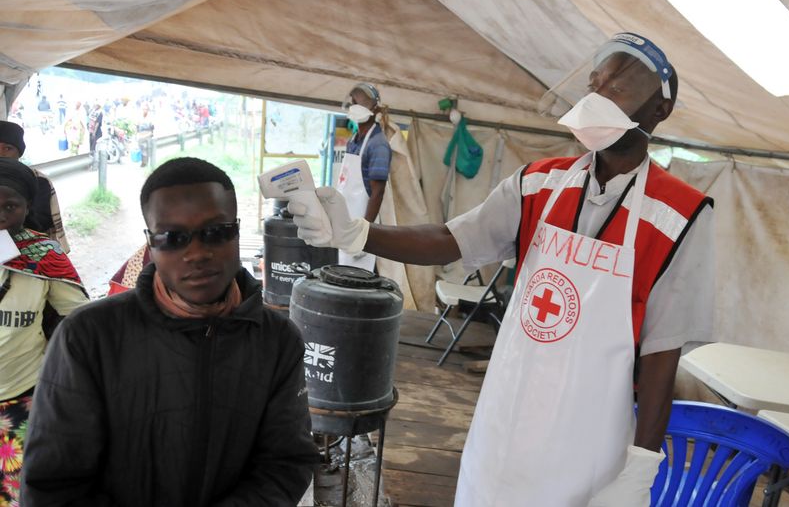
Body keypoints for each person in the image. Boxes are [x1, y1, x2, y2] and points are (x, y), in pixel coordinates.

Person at [291, 33, 714, 506]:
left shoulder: (679, 216)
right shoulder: (538, 183)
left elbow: (660, 355)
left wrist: (641, 469)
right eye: (594, 85)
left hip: (589, 440)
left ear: (659, 110)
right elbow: (451, 239)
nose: (596, 99)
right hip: (506, 418)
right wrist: (357, 233)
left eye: (616, 90)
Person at [22, 157, 318, 506]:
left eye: (216, 232)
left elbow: (284, 463)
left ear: (237, 232)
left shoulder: (277, 341)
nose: (197, 253)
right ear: (150, 244)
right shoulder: (87, 337)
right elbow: (53, 485)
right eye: (172, 237)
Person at [0, 158, 88, 506]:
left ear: (27, 208)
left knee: (20, 493)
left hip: (23, 399)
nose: (0, 216)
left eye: (10, 206)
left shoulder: (44, 256)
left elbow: (78, 317)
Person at [336, 82, 392, 270]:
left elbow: (378, 193)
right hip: (346, 222)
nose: (354, 107)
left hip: (361, 224)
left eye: (360, 103)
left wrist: (364, 234)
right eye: (353, 102)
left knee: (356, 277)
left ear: (374, 109)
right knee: (341, 273)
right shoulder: (354, 140)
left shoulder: (378, 145)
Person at [0, 121, 70, 252]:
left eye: (8, 148)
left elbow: (42, 223)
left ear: (19, 153)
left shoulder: (38, 181)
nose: (1, 154)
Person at [87, 102, 103, 168]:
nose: (95, 106)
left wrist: (94, 133)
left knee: (94, 148)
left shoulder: (100, 113)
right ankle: (92, 163)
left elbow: (97, 124)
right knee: (91, 148)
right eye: (94, 105)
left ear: (99, 106)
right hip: (91, 132)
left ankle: (95, 164)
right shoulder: (93, 111)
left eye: (96, 105)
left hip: (96, 133)